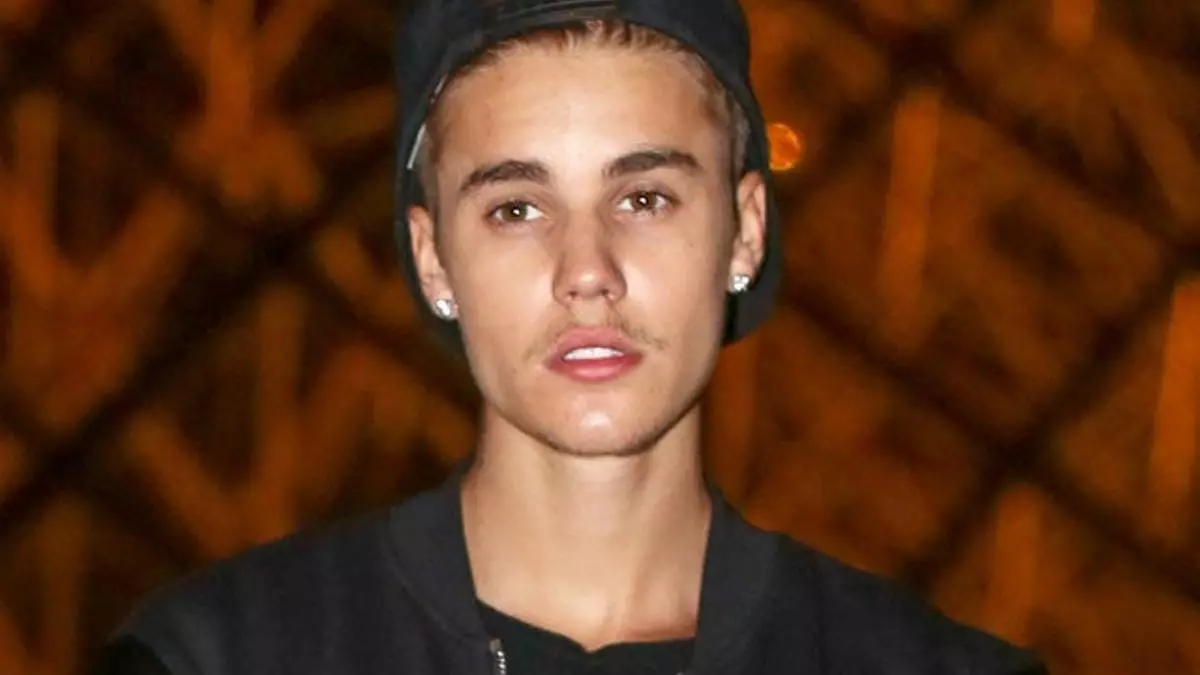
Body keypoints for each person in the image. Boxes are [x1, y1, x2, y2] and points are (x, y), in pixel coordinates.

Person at [94, 0, 1048, 673]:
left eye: (645, 197)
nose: (586, 269)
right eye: (516, 208)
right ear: (432, 258)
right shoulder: (214, 658)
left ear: (746, 232)